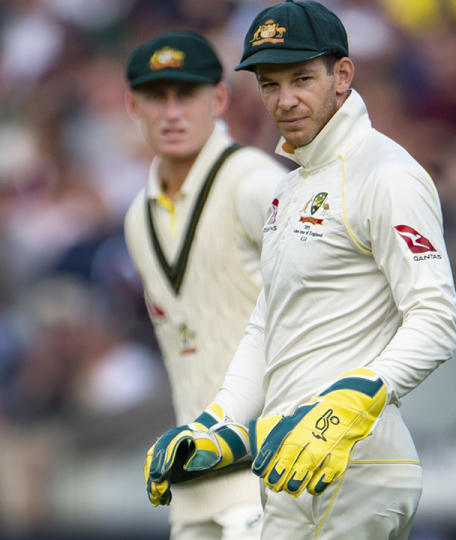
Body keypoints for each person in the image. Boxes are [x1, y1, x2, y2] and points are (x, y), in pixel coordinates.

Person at [141, 3, 456, 540]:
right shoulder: (291, 188)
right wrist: (217, 422)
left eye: (302, 79)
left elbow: (436, 319)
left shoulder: (388, 174)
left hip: (356, 470)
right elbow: (267, 326)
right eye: (270, 84)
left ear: (343, 75)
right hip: (290, 473)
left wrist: (347, 402)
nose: (285, 100)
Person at [124, 30, 286, 540]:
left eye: (187, 94)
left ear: (218, 98)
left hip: (272, 475)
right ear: (132, 104)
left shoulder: (254, 180)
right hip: (194, 483)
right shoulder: (136, 217)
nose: (172, 112)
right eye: (156, 96)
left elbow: (336, 291)